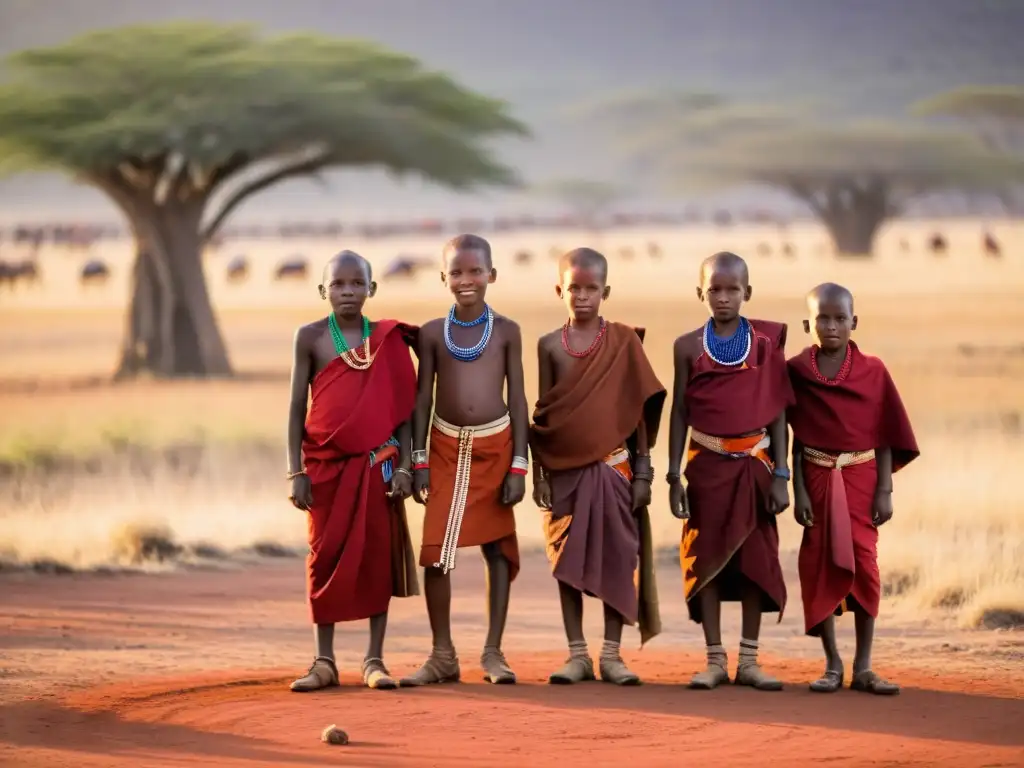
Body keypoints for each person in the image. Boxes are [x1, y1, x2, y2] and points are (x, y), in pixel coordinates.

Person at [531, 248, 666, 685]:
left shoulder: (624, 341)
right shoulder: (549, 346)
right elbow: (545, 416)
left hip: (616, 469)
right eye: (574, 288)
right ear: (559, 290)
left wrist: (643, 473)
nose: (583, 296)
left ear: (605, 291)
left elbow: (638, 413)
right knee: (566, 559)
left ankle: (611, 654)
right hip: (564, 473)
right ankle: (576, 654)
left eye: (591, 288)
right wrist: (540, 475)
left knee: (617, 557)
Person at [286, 251, 420, 692]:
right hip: (323, 467)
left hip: (377, 466)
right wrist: (295, 472)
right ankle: (323, 661)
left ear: (371, 289)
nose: (347, 291)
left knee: (375, 557)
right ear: (322, 290)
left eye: (356, 283)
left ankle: (374, 660)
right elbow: (295, 409)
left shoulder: (387, 340)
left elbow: (403, 410)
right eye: (338, 284)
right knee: (322, 558)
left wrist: (404, 465)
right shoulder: (309, 337)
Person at [401, 234, 529, 687]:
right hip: (443, 448)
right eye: (457, 272)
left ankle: (493, 652)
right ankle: (442, 655)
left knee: (497, 549)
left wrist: (519, 465)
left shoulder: (509, 331)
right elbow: (421, 401)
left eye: (476, 271)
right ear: (443, 278)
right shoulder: (433, 333)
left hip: (496, 449)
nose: (467, 280)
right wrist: (418, 461)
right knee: (437, 554)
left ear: (492, 275)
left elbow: (519, 401)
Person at [666, 251, 794, 691]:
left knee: (756, 560)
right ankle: (715, 659)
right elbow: (680, 412)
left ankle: (751, 660)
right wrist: (672, 475)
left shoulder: (765, 343)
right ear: (700, 293)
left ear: (747, 293)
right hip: (704, 465)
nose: (723, 298)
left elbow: (777, 411)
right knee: (708, 562)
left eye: (732, 290)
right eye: (714, 290)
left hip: (755, 466)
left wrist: (782, 473)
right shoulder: (686, 346)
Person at [789, 282, 919, 695]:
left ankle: (864, 666)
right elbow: (793, 439)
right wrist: (799, 491)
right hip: (817, 476)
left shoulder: (873, 371)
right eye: (822, 319)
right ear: (808, 323)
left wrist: (885, 489)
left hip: (862, 478)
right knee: (817, 562)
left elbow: (883, 433)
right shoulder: (794, 371)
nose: (831, 326)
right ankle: (831, 663)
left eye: (840, 318)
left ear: (854, 322)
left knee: (865, 563)